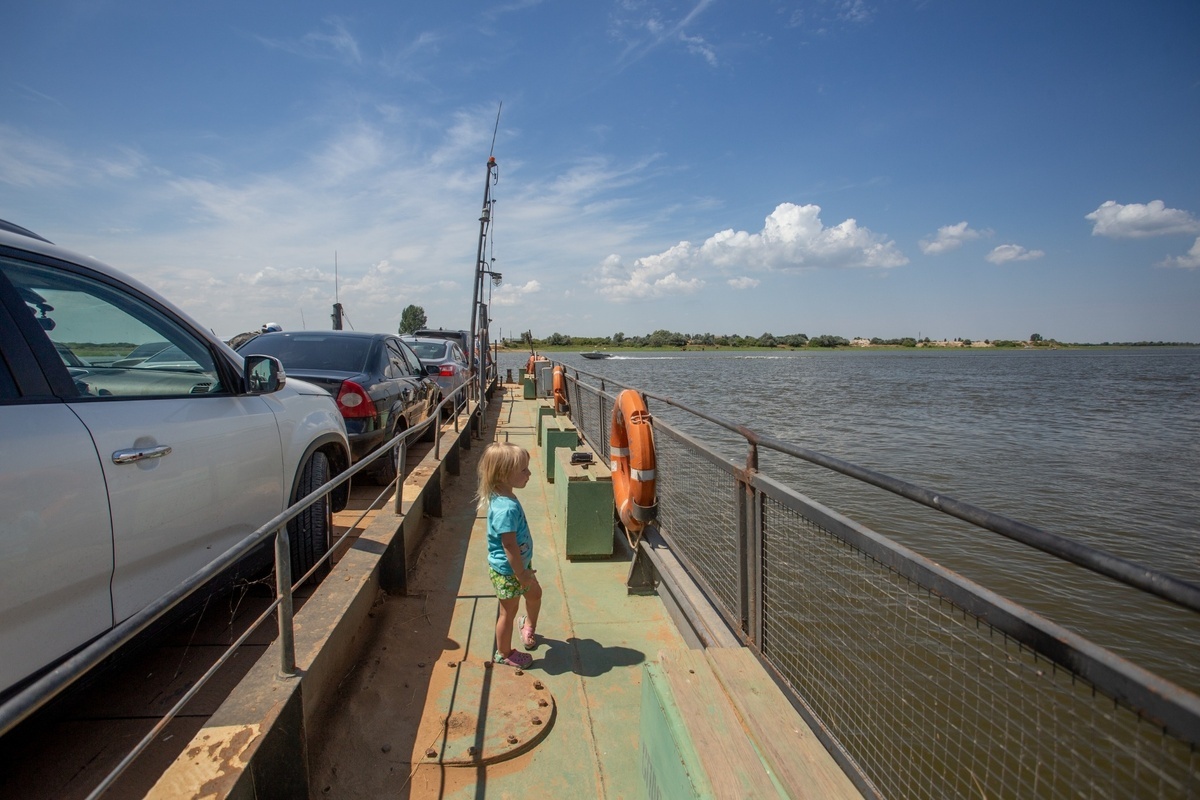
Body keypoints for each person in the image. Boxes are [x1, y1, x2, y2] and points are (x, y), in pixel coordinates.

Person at [476, 442, 542, 668]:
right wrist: (522, 574)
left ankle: (528, 626)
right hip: (510, 571)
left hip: (520, 567)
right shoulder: (506, 508)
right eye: (523, 470)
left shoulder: (503, 496)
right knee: (508, 612)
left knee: (535, 595)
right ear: (504, 474)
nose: (529, 473)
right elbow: (509, 546)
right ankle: (504, 653)